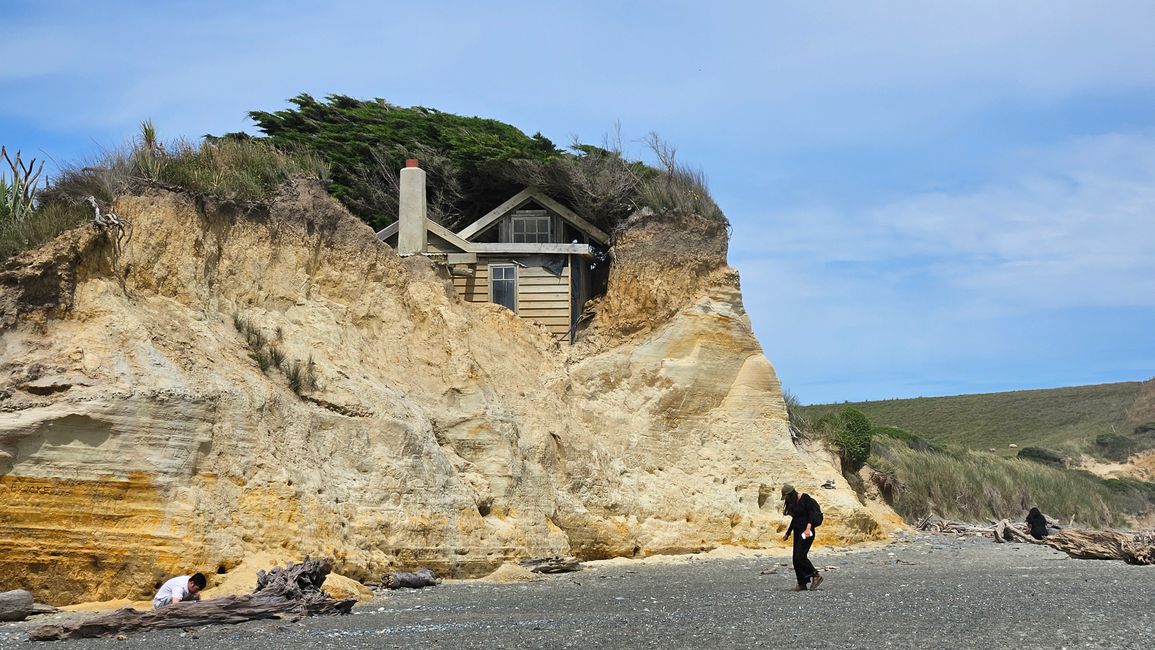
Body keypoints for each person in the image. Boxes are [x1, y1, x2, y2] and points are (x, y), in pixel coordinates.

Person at [781, 484, 824, 591]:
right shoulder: (793, 502)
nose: (786, 499)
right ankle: (802, 583)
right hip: (797, 531)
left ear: (792, 493)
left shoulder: (805, 498)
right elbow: (795, 519)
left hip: (807, 532)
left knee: (800, 557)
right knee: (795, 559)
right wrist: (788, 533)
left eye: (787, 496)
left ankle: (816, 575)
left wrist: (808, 528)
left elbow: (811, 515)